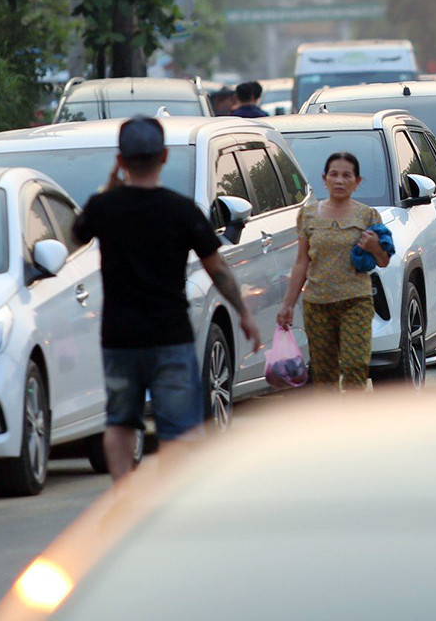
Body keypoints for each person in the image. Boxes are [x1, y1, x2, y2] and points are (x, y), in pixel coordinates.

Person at [71, 116, 261, 480]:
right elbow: (216, 267)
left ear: (121, 160)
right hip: (170, 336)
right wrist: (243, 313)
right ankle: (167, 504)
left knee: (121, 422)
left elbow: (77, 234)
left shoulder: (103, 208)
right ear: (165, 157)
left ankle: (123, 492)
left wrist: (111, 185)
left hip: (120, 338)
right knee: (178, 430)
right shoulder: (181, 210)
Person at [276, 152, 392, 389]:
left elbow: (383, 261)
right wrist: (287, 303)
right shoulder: (307, 215)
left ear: (357, 182)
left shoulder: (367, 215)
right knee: (324, 372)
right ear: (324, 179)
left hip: (356, 301)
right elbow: (301, 262)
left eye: (346, 175)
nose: (339, 180)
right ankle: (331, 422)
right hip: (318, 304)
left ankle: (353, 421)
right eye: (334, 175)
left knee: (354, 364)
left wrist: (374, 247)